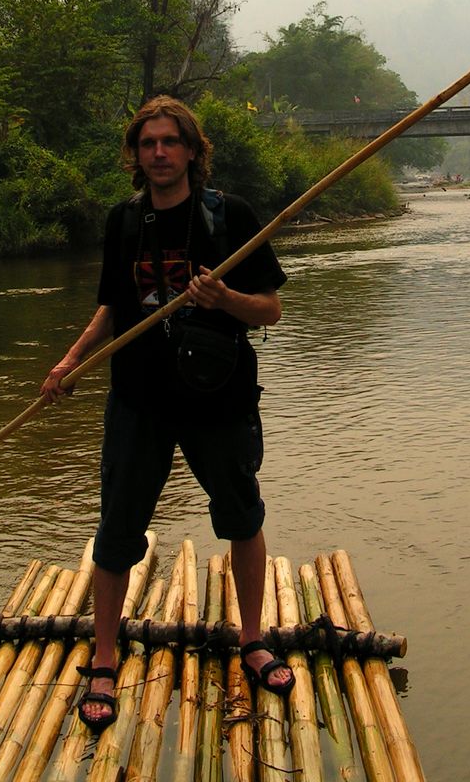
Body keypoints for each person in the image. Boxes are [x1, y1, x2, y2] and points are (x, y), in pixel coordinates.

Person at [41, 96, 294, 732]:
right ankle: (104, 657)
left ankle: (253, 639)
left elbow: (271, 310)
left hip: (219, 399)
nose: (159, 153)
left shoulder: (229, 215)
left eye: (170, 142)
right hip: (138, 402)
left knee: (241, 516)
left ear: (191, 150)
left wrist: (224, 296)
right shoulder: (123, 222)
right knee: (117, 527)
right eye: (148, 143)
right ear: (137, 153)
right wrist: (68, 363)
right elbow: (110, 310)